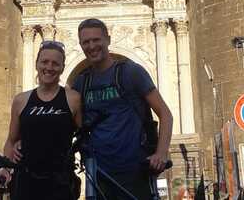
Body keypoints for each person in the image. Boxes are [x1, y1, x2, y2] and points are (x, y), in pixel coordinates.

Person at [72, 18, 173, 200]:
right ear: (80, 45)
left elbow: (165, 113)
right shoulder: (81, 83)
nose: (92, 46)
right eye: (86, 42)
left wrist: (161, 153)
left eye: (96, 40)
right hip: (99, 174)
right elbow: (67, 121)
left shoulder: (131, 72)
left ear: (108, 40)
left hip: (135, 170)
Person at [0, 40, 82, 200]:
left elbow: (83, 136)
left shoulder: (73, 99)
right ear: (37, 64)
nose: (49, 67)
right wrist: (5, 168)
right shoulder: (20, 100)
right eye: (44, 62)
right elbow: (11, 140)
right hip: (25, 181)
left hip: (60, 182)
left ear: (62, 68)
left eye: (55, 64)